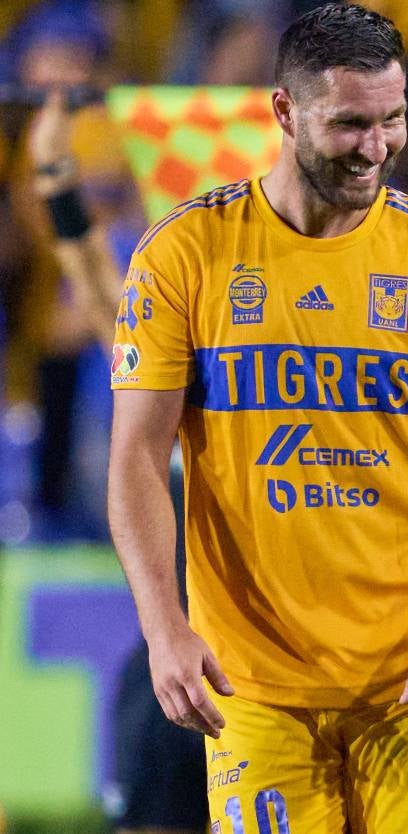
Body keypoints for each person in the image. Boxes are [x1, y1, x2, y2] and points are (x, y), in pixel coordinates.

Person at [106, 5, 408, 834]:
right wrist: (164, 629)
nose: (377, 147)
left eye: (392, 119)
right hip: (252, 689)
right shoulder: (184, 254)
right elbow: (134, 460)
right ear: (284, 112)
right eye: (350, 124)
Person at [28, 88, 207, 834]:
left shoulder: (287, 373)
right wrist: (51, 160)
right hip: (175, 662)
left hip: (273, 665)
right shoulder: (155, 355)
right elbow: (91, 269)